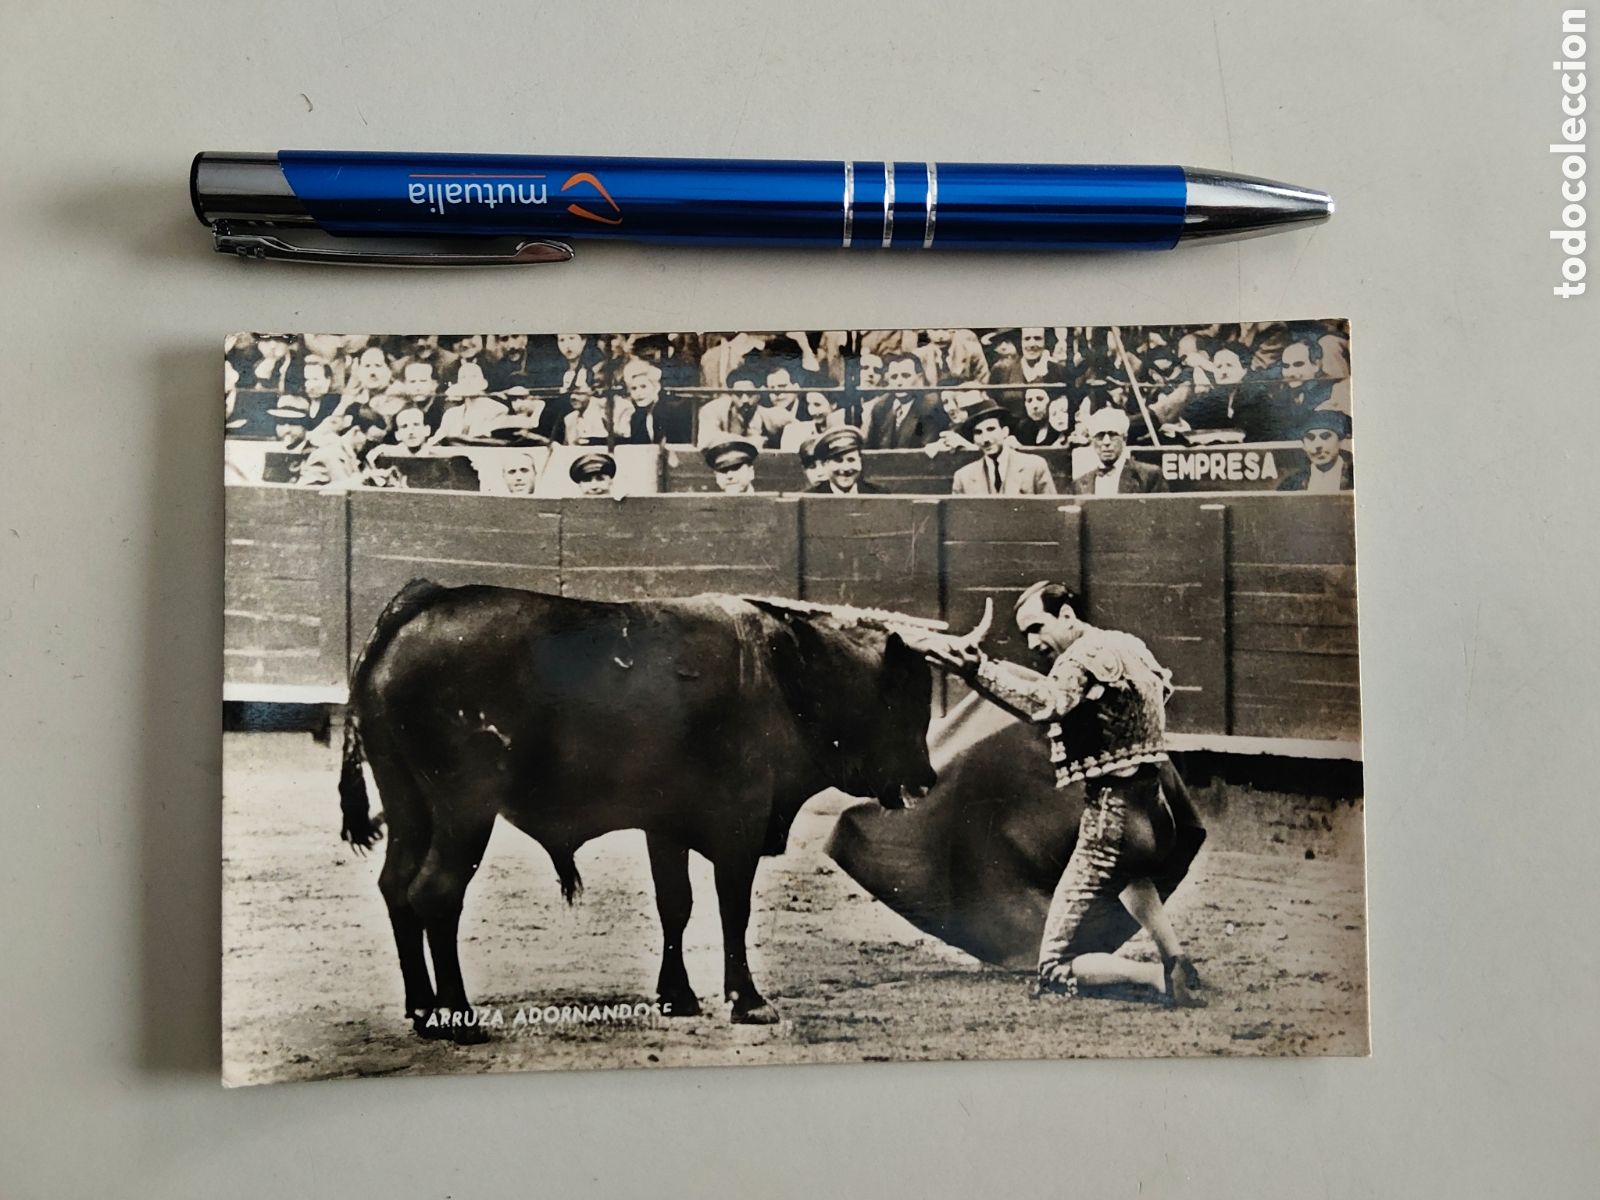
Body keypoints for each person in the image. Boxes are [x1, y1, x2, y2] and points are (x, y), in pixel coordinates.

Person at [905, 581, 1205, 1007]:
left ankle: (1158, 978)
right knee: (1132, 876)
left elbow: (1044, 702)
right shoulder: (1130, 645)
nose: (1032, 642)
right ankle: (1177, 959)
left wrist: (977, 671)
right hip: (1155, 812)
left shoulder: (1079, 659)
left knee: (1055, 967)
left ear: (1067, 616)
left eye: (1036, 627)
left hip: (1112, 817)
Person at [950, 402, 1057, 496]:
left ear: (1005, 431)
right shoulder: (963, 477)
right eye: (978, 432)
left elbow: (1051, 513)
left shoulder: (1035, 467)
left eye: (991, 429)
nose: (985, 439)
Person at [1071, 407, 1169, 494]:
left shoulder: (1148, 476)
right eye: (1100, 436)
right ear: (1092, 441)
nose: (1106, 442)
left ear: (1124, 439)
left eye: (1112, 435)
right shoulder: (1080, 484)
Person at [864, 353, 948, 450]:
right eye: (894, 377)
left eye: (906, 376)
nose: (899, 383)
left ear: (919, 378)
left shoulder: (931, 407)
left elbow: (925, 451)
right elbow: (869, 448)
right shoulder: (881, 406)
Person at [696, 367, 788, 447]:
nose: (745, 400)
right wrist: (749, 442)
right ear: (731, 394)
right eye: (739, 394)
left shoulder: (767, 414)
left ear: (758, 394)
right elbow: (706, 440)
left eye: (750, 394)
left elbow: (796, 426)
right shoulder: (712, 410)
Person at [619, 356, 695, 444]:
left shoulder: (672, 412)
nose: (638, 393)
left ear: (656, 388)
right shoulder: (636, 417)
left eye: (643, 386)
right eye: (634, 388)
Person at [431, 363, 510, 444]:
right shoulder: (451, 414)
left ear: (483, 383)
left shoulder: (497, 410)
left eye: (474, 376)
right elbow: (436, 439)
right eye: (463, 377)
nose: (468, 381)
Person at [1277, 410, 1354, 492]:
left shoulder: (1356, 477)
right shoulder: (1291, 485)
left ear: (1340, 441)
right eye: (1310, 438)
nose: (1317, 445)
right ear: (1304, 445)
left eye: (1325, 436)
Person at [805, 426, 885, 494]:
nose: (846, 468)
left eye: (851, 460)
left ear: (860, 461)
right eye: (838, 461)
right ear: (825, 464)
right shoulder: (811, 497)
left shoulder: (878, 494)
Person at [779, 388, 847, 451]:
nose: (811, 411)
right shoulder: (794, 431)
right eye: (808, 404)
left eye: (817, 405)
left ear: (833, 404)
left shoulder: (845, 433)